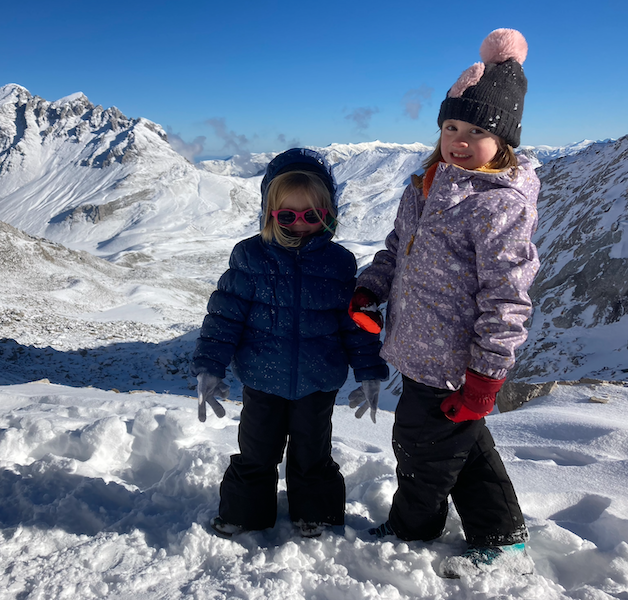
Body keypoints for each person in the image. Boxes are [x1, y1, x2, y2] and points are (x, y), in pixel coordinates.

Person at [348, 29, 538, 578]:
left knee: (421, 447)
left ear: (503, 141)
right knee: (462, 440)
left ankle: (413, 529)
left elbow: (507, 296)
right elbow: (396, 249)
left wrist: (485, 377)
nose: (459, 139)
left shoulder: (497, 205)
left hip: (456, 361)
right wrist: (372, 288)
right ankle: (500, 535)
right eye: (452, 125)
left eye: (477, 130)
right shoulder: (426, 184)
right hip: (419, 348)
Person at [191, 148, 389, 538]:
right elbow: (224, 318)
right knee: (256, 452)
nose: (299, 225)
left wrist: (369, 371)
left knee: (312, 454)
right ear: (269, 214)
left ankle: (317, 514)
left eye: (311, 216)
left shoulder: (339, 263)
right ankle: (245, 514)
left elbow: (353, 325)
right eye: (287, 216)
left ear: (328, 215)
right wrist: (210, 365)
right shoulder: (250, 257)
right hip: (262, 379)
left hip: (317, 382)